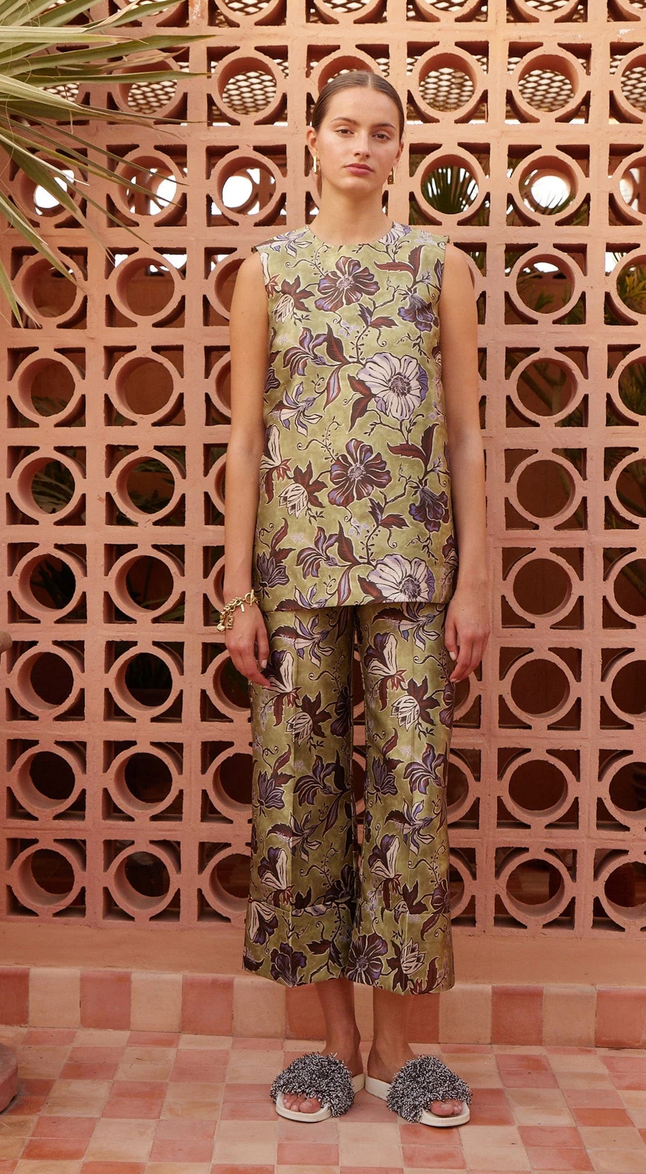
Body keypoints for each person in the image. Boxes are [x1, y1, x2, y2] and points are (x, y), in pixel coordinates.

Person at [223, 68, 488, 1128]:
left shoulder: (439, 266)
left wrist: (476, 581)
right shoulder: (266, 271)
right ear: (312, 140)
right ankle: (332, 1043)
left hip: (414, 575)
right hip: (292, 576)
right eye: (345, 128)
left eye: (382, 132)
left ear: (399, 150)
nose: (362, 146)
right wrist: (235, 587)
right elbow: (245, 435)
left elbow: (465, 433)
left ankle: (397, 1047)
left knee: (410, 798)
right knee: (299, 799)